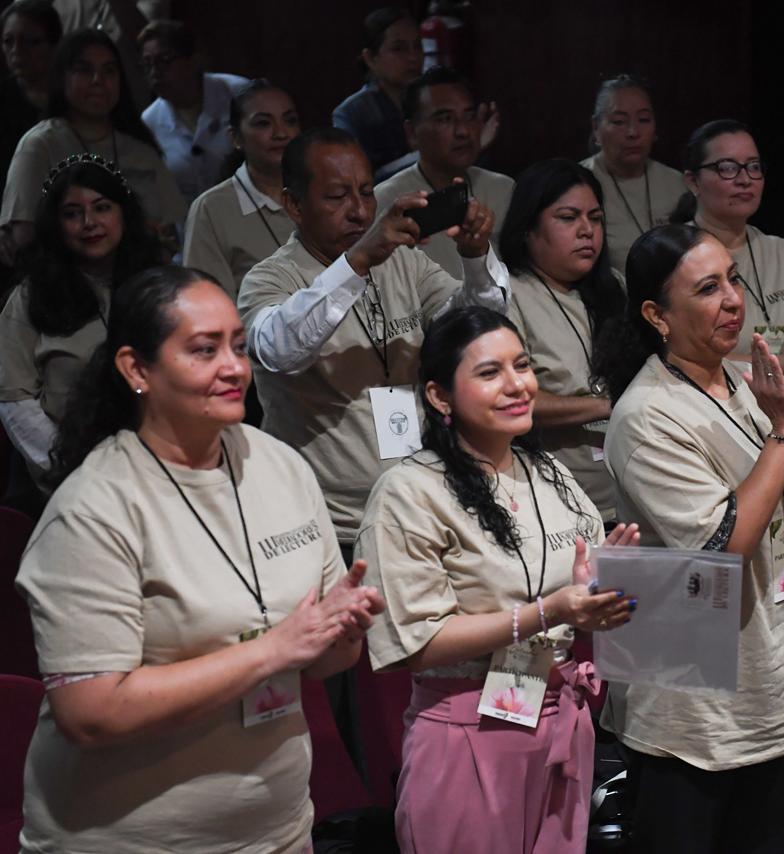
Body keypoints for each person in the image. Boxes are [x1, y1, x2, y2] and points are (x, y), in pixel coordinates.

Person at [15, 264, 385, 852]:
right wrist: (273, 650)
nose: (235, 367)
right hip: (129, 838)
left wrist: (339, 633)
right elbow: (90, 711)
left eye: (238, 346)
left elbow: (319, 662)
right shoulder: (95, 506)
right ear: (137, 369)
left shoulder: (280, 466)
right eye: (204, 350)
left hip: (277, 829)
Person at [594, 223, 784, 852]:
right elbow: (722, 549)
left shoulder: (744, 383)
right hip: (689, 709)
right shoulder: (647, 414)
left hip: (768, 684)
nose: (733, 300)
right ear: (657, 315)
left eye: (735, 280)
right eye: (708, 288)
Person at [360, 305, 640, 854]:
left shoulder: (549, 473)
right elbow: (419, 643)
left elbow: (580, 574)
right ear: (441, 396)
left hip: (560, 719)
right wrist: (551, 611)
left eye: (523, 365)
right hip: (467, 732)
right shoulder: (409, 492)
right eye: (490, 373)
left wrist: (604, 580)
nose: (517, 385)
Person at [236, 126, 507, 553]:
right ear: (293, 204)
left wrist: (475, 259)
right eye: (337, 196)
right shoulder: (269, 279)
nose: (360, 212)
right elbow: (279, 351)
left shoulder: (403, 261)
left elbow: (476, 328)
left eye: (366, 192)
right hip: (330, 525)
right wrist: (357, 261)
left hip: (423, 506)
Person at [0, 155, 163, 492]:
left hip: (163, 463)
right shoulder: (32, 296)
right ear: (56, 225)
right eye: (72, 214)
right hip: (70, 472)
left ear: (124, 213)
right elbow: (15, 400)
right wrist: (75, 468)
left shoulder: (161, 284)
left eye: (102, 207)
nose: (89, 222)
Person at [497, 159, 625, 519]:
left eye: (595, 218)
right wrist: (611, 405)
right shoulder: (510, 294)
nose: (587, 231)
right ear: (528, 228)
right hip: (555, 506)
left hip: (629, 496)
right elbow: (515, 400)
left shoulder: (613, 286)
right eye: (568, 218)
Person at [0, 27, 187, 260]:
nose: (98, 80)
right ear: (62, 77)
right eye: (84, 70)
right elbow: (23, 238)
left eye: (109, 70)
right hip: (63, 284)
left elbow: (171, 237)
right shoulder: (40, 144)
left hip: (141, 284)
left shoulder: (141, 148)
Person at [671, 119, 784, 382]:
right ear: (692, 181)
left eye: (753, 167)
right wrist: (773, 366)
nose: (745, 180)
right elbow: (669, 356)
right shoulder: (673, 255)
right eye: (728, 168)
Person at [374, 67, 514, 279]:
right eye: (445, 119)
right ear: (411, 133)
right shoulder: (387, 200)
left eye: (469, 116)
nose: (463, 131)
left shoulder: (504, 189)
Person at [182, 79, 299, 298]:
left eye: (290, 120)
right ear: (235, 138)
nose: (281, 133)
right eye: (264, 123)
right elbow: (207, 302)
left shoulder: (319, 190)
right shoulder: (211, 209)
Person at [580, 74, 685, 274]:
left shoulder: (678, 184)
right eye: (619, 121)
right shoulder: (577, 183)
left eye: (644, 120)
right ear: (596, 128)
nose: (633, 132)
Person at [137, 19, 249, 202]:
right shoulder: (149, 121)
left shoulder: (238, 93)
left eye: (164, 61)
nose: (154, 72)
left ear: (193, 60)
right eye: (147, 64)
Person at [332, 6, 423, 182]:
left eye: (417, 46)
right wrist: (424, 156)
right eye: (399, 48)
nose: (413, 57)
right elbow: (358, 179)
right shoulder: (353, 113)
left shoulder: (430, 100)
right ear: (370, 58)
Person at [1, 1, 62, 204]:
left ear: (54, 45)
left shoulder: (71, 99)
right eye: (8, 41)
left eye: (31, 42)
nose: (17, 50)